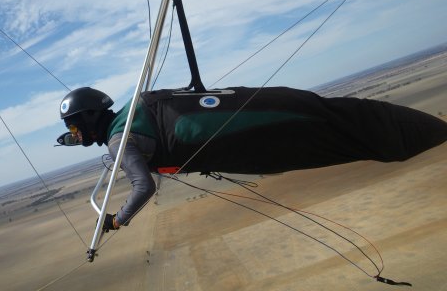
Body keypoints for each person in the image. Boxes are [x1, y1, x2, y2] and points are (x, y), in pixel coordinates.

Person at [58, 86, 447, 231]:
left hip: (254, 138)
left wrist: (117, 220)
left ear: (88, 118)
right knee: (342, 115)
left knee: (345, 138)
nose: (76, 134)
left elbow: (143, 186)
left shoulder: (120, 141)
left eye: (75, 127)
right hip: (259, 101)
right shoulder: (137, 104)